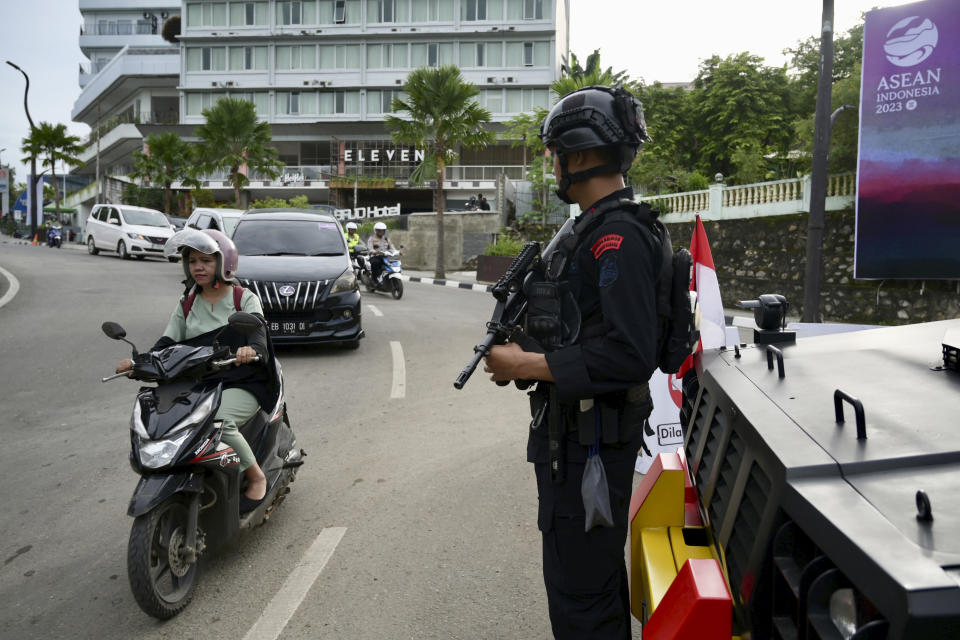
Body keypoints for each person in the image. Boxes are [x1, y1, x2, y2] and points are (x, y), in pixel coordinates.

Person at [483, 85, 657, 639]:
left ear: (580, 155)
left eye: (557, 153)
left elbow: (629, 354)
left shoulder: (616, 236)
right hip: (578, 441)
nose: (553, 165)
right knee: (589, 583)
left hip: (592, 449)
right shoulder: (594, 227)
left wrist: (523, 365)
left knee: (581, 593)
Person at [115, 228, 269, 505]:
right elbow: (166, 344)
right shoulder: (187, 303)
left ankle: (256, 476)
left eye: (206, 260)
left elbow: (259, 340)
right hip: (198, 381)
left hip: (240, 379)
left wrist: (250, 350)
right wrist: (139, 363)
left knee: (219, 421)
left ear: (224, 264)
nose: (198, 266)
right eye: (193, 260)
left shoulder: (243, 298)